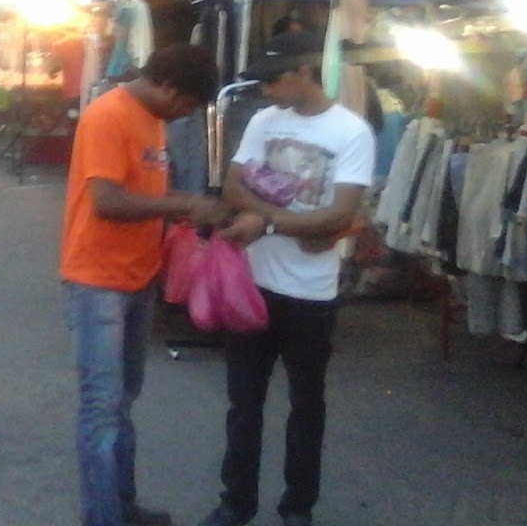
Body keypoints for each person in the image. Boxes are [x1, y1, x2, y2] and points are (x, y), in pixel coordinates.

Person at [195, 31, 375, 526]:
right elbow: (232, 186)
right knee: (243, 404)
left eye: (275, 79)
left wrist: (269, 222)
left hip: (310, 293)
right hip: (252, 283)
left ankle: (298, 508)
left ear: (304, 72)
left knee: (306, 405)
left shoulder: (351, 132)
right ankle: (236, 503)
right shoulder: (262, 120)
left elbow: (340, 213)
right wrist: (293, 220)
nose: (268, 90)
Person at [60, 44, 232, 526]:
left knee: (123, 402)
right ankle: (102, 517)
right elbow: (107, 201)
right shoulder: (108, 115)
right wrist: (183, 205)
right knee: (101, 408)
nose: (187, 116)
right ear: (168, 88)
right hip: (97, 282)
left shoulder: (154, 118)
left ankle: (121, 505)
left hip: (136, 277)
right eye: (188, 106)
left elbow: (146, 191)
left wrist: (184, 206)